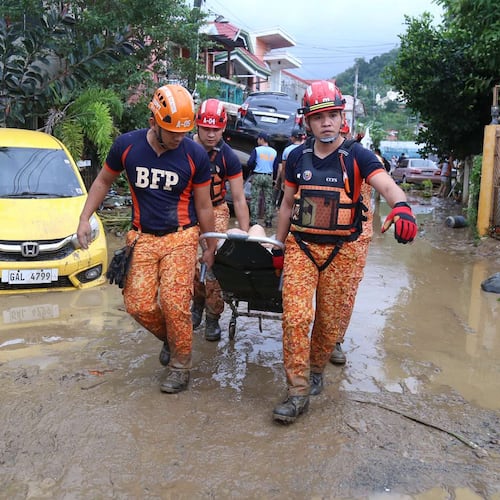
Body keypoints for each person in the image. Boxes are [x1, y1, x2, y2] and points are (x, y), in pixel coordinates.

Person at [272, 80, 418, 424]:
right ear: (307, 121)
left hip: (343, 252)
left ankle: (318, 366)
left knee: (327, 322)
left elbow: (385, 183)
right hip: (301, 248)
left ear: (342, 118)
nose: (326, 123)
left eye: (333, 115)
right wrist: (278, 247)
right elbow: (286, 204)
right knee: (295, 317)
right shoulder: (296, 157)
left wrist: (402, 206)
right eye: (319, 117)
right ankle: (297, 391)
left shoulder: (358, 156)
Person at [76, 84, 217, 394]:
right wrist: (84, 218)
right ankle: (172, 337)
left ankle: (180, 365)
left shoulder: (194, 155)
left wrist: (210, 246)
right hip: (141, 236)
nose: (179, 137)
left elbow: (205, 205)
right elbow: (102, 181)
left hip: (182, 237)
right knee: (137, 304)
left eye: (183, 131)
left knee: (174, 302)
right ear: (153, 120)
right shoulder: (127, 146)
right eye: (171, 131)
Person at [191, 98, 250, 341]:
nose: (211, 134)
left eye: (216, 129)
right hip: (187, 210)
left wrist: (244, 236)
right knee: (188, 264)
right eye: (206, 128)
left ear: (224, 128)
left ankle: (213, 316)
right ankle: (196, 303)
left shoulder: (228, 157)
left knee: (213, 263)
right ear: (197, 126)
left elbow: (238, 198)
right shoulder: (183, 149)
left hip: (216, 210)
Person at [247, 132, 279, 228]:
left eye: (258, 139)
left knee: (255, 199)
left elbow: (250, 163)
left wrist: (253, 168)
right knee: (268, 199)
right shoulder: (274, 152)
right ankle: (268, 221)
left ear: (261, 139)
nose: (257, 141)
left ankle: (253, 221)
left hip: (257, 175)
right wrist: (274, 179)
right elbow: (276, 167)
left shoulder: (257, 150)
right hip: (268, 176)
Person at [275, 127, 306, 208]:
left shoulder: (287, 150)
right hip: (303, 179)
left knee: (288, 202)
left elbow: (284, 168)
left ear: (293, 138)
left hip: (291, 180)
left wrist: (283, 181)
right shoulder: (307, 149)